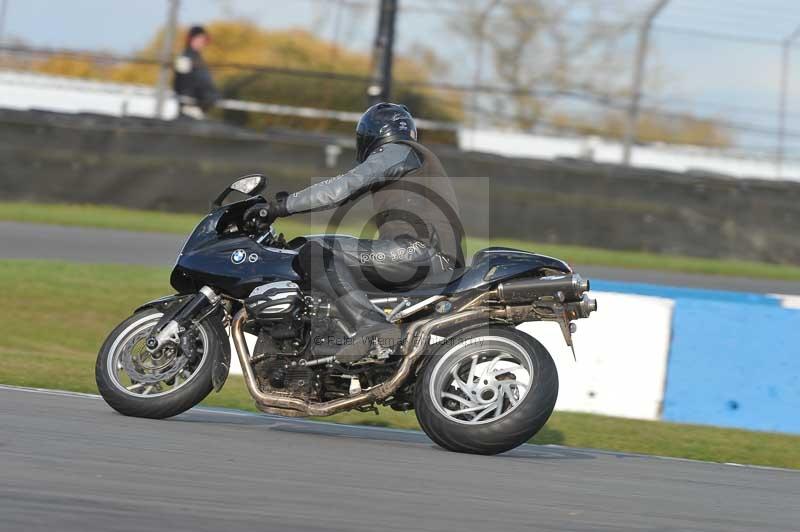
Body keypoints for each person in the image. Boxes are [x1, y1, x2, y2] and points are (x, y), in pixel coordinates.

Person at [243, 102, 464, 363]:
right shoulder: (406, 159)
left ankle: (371, 325)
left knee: (314, 251)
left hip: (420, 252)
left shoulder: (398, 151)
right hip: (425, 255)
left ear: (371, 134)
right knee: (309, 246)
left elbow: (342, 188)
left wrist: (280, 207)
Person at [172, 25, 219, 119]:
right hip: (189, 109)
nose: (202, 43)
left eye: (203, 40)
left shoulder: (199, 59)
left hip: (199, 108)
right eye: (200, 39)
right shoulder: (184, 58)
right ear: (192, 39)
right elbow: (181, 83)